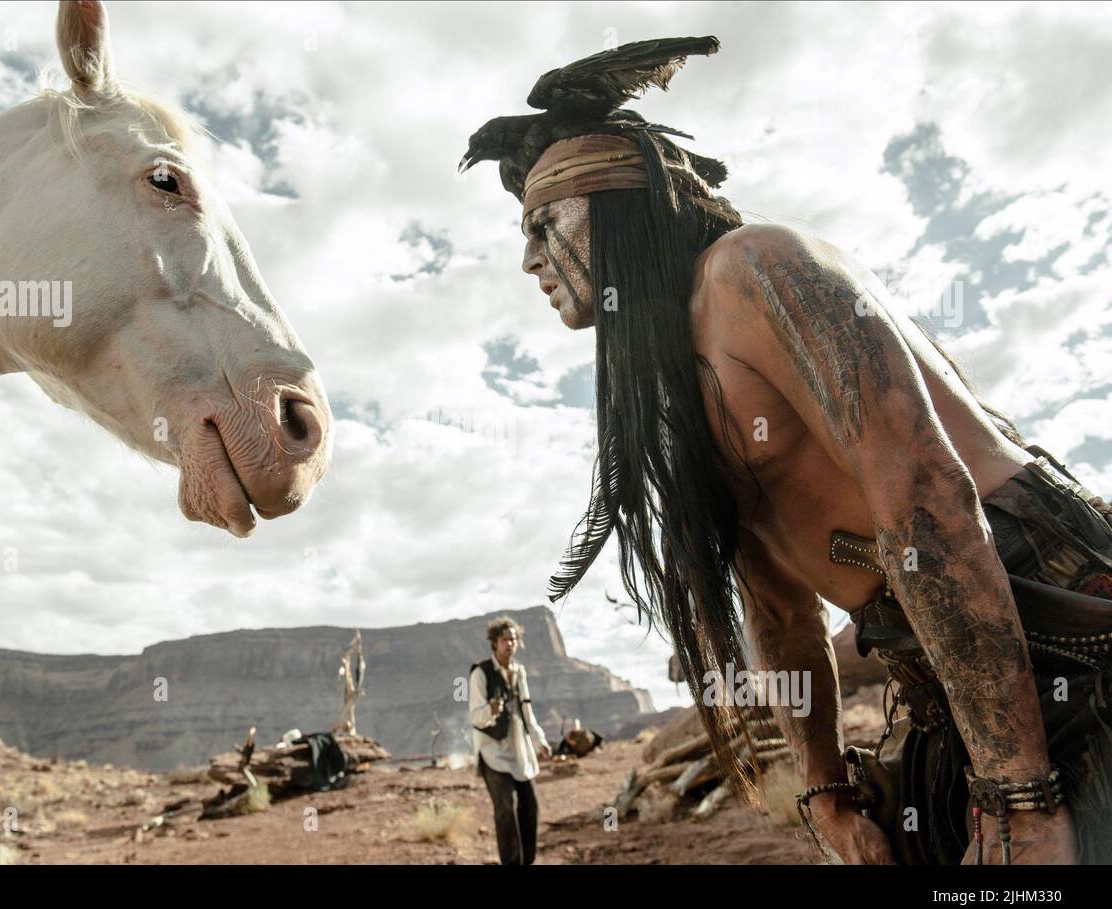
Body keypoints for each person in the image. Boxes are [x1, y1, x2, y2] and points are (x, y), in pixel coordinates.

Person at [461, 36, 1112, 864]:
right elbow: (778, 610)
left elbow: (927, 497)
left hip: (1050, 614)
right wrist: (825, 793)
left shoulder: (754, 270)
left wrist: (1018, 794)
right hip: (936, 668)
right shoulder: (674, 391)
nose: (527, 260)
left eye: (544, 222)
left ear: (620, 202)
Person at [469, 617, 552, 865]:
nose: (509, 644)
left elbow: (527, 711)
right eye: (504, 640)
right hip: (493, 752)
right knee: (506, 809)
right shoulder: (480, 673)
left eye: (513, 639)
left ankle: (528, 861)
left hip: (520, 751)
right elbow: (475, 716)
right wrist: (491, 711)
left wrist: (540, 740)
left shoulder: (519, 672)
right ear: (495, 643)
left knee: (530, 807)